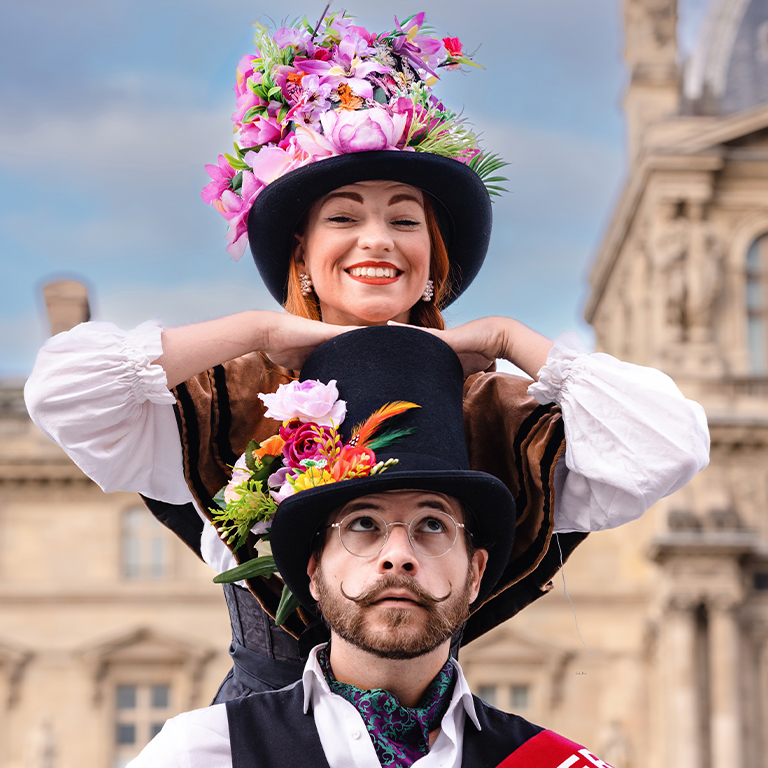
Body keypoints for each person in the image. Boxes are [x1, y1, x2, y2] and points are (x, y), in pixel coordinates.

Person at [23, 11, 710, 702]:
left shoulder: (498, 414)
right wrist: (256, 330)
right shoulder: (226, 396)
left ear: (433, 262)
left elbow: (669, 445)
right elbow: (64, 393)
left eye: (405, 220)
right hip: (263, 742)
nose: (377, 240)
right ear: (305, 257)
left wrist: (507, 339)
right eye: (345, 217)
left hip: (428, 740)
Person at [126, 325, 620, 768]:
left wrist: (505, 337)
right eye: (363, 524)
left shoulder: (553, 765)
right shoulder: (204, 753)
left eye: (432, 525)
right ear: (314, 570)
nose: (398, 554)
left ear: (475, 572)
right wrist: (260, 329)